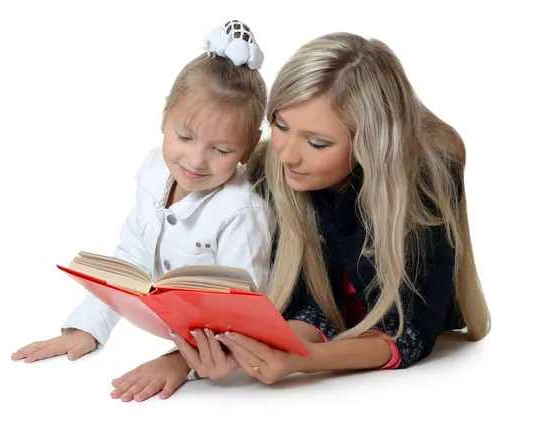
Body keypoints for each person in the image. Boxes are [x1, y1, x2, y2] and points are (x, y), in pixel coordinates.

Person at [168, 31, 491, 386]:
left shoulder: (426, 177)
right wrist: (190, 358)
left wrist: (304, 360)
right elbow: (303, 305)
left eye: (317, 142)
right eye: (280, 124)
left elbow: (413, 332)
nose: (287, 154)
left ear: (369, 143)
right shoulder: (268, 169)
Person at [11, 19, 272, 382]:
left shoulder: (241, 211)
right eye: (184, 136)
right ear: (165, 115)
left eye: (221, 149)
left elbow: (243, 312)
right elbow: (131, 260)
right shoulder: (153, 172)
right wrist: (88, 327)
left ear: (248, 144)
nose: (196, 160)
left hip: (214, 355)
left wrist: (179, 362)